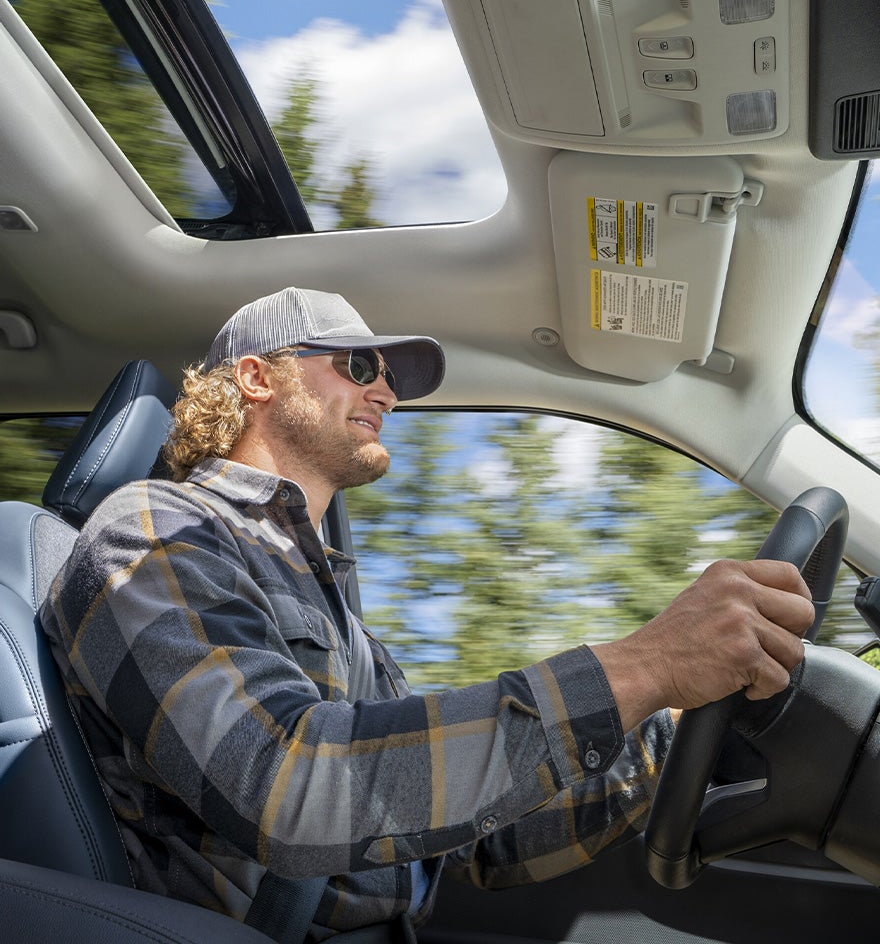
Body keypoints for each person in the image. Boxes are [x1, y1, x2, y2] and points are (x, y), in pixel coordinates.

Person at [40, 288, 814, 942]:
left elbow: (477, 841)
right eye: (361, 366)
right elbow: (284, 788)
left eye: (388, 377)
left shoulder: (337, 615)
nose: (387, 393)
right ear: (255, 378)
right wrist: (646, 664)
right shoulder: (152, 531)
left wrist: (669, 728)